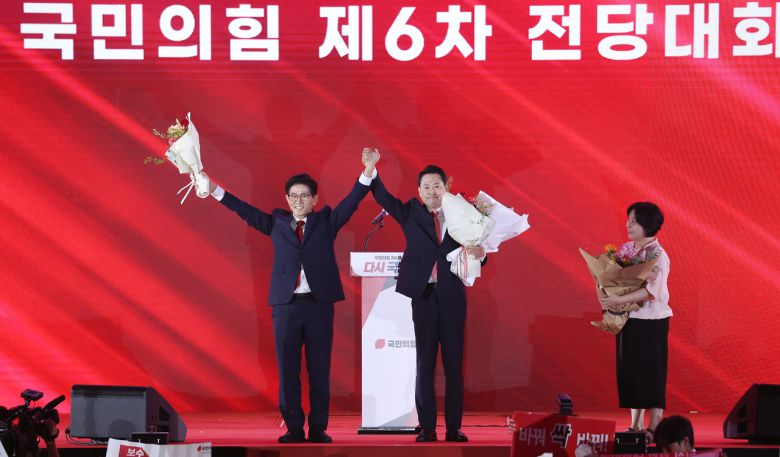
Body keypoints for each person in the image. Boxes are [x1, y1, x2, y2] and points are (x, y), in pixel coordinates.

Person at [206, 152, 377, 443]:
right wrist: (213, 189)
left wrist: (369, 170)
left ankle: (319, 428)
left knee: (319, 368)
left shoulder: (326, 221)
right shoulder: (276, 223)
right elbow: (244, 210)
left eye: (304, 196)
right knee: (288, 370)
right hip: (286, 306)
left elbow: (351, 201)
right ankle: (294, 427)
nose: (299, 201)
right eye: (294, 196)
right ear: (287, 199)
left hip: (319, 305)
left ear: (314, 199)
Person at [363, 149, 485, 443]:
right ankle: (428, 427)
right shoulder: (410, 213)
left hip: (453, 297)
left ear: (446, 188)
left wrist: (481, 253)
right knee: (424, 364)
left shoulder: (464, 215)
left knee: (454, 366)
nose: (432, 191)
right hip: (424, 297)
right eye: (426, 187)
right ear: (419, 191)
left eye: (437, 186)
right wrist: (370, 168)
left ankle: (454, 428)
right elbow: (383, 197)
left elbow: (479, 249)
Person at [597, 202, 670, 440]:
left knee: (652, 371)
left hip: (651, 320)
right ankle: (635, 424)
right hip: (628, 318)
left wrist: (618, 299)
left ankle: (655, 424)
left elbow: (650, 291)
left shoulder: (658, 255)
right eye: (628, 220)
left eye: (634, 221)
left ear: (647, 225)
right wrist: (607, 292)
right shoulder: (627, 250)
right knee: (631, 371)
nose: (628, 225)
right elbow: (615, 278)